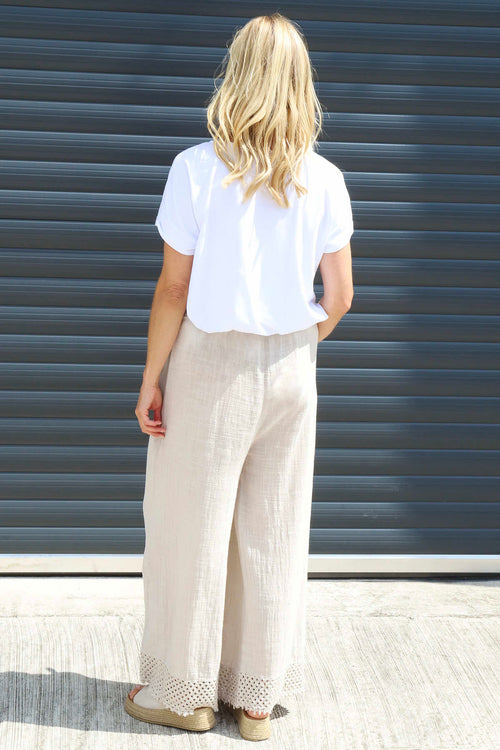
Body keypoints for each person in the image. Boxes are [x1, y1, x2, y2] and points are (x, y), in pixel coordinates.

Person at [124, 11, 354, 742]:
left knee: (188, 528)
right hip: (292, 367)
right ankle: (256, 702)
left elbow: (173, 289)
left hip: (210, 365)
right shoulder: (326, 178)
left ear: (238, 75)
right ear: (300, 84)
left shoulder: (196, 170)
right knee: (273, 530)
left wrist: (153, 376)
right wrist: (292, 345)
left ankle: (185, 694)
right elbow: (340, 297)